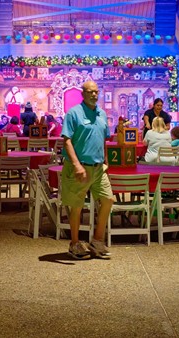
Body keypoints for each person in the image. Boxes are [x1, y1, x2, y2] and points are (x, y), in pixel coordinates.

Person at [61, 80, 114, 260]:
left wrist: (105, 162)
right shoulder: (73, 113)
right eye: (90, 92)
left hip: (98, 168)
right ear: (83, 94)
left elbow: (103, 139)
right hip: (79, 166)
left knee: (108, 200)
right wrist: (76, 165)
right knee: (76, 206)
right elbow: (66, 140)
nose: (94, 95)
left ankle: (97, 240)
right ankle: (74, 243)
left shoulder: (102, 114)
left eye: (96, 91)